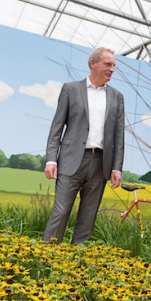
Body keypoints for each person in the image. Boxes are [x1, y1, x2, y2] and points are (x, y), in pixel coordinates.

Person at [43, 47, 125, 244]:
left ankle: (76, 264)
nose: (112, 69)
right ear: (93, 64)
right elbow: (57, 128)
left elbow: (119, 136)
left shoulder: (117, 97)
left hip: (100, 164)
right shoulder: (71, 89)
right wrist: (51, 160)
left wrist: (116, 167)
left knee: (88, 218)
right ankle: (47, 257)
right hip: (71, 161)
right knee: (61, 211)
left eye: (113, 65)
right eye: (108, 64)